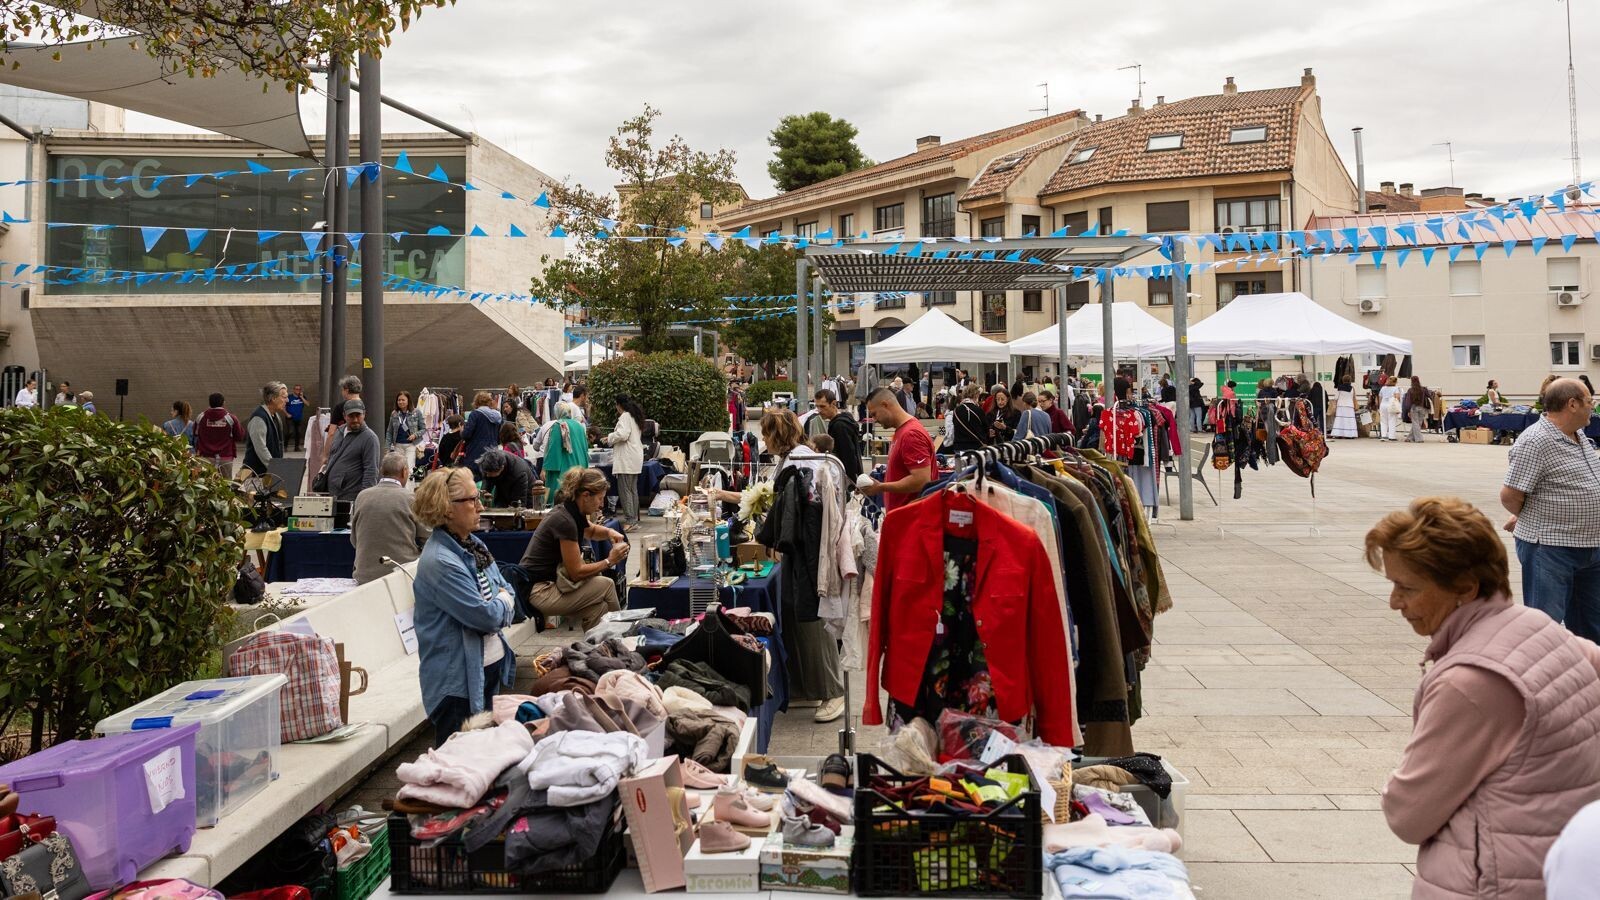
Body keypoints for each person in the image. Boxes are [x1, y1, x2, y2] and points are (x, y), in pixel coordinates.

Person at [1367, 496, 1600, 898]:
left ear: (1464, 587)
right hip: (1549, 866)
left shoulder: (1469, 682)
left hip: (1494, 880)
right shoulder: (1537, 625)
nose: (1394, 602)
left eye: (1406, 587)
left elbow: (1407, 814)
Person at [410, 467, 516, 746]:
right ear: (447, 509)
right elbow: (486, 616)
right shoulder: (441, 562)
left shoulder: (472, 545)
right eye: (472, 500)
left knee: (486, 760)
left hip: (484, 672)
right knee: (460, 769)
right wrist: (503, 601)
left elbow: (509, 589)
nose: (480, 506)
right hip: (457, 685)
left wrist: (502, 600)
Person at [1501, 377, 1600, 641]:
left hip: (1589, 548)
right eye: (1590, 402)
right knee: (1544, 629)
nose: (1593, 407)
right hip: (1551, 548)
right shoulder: (1535, 441)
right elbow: (1510, 494)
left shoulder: (1579, 435)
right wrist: (1527, 516)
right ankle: (1538, 681)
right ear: (1572, 404)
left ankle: (1588, 680)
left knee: (1592, 629)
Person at [519, 467, 628, 631]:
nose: (602, 504)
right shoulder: (565, 521)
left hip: (545, 585)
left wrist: (609, 532)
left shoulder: (570, 510)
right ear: (585, 496)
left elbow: (590, 531)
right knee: (606, 584)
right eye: (600, 498)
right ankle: (622, 635)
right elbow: (576, 572)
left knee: (598, 609)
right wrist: (610, 560)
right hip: (538, 591)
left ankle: (596, 651)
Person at [350, 452, 430, 584]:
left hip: (364, 576)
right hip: (401, 575)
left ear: (382, 471)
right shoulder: (410, 499)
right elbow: (427, 539)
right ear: (404, 472)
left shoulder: (362, 496)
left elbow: (354, 539)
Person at [859, 387, 935, 513]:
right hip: (903, 518)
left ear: (885, 405)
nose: (874, 419)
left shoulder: (910, 434)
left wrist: (881, 487)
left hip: (911, 520)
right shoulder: (902, 431)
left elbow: (922, 480)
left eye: (874, 414)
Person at [324, 399, 381, 503]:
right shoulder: (339, 431)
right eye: (351, 416)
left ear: (364, 414)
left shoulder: (370, 438)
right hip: (333, 494)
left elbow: (371, 471)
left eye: (358, 415)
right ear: (344, 416)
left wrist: (365, 500)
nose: (355, 419)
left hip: (352, 497)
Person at [603, 394, 647, 528]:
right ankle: (633, 519)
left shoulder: (625, 416)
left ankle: (630, 521)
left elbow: (622, 434)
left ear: (618, 405)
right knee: (632, 490)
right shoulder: (634, 416)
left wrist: (610, 437)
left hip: (627, 458)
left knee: (625, 490)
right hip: (634, 457)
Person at [540, 401, 590, 500]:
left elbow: (553, 450)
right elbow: (585, 448)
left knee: (560, 497)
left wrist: (545, 468)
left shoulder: (558, 425)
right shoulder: (579, 426)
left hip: (563, 469)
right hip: (579, 467)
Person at [813, 388, 862, 485]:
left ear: (833, 404)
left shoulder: (840, 425)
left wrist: (851, 480)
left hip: (844, 477)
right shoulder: (843, 420)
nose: (819, 410)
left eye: (823, 406)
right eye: (817, 406)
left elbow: (848, 454)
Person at [193, 392, 245, 476]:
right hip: (225, 458)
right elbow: (239, 436)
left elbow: (195, 434)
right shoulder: (231, 418)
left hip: (205, 458)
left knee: (206, 484)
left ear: (209, 403)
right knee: (226, 484)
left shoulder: (200, 417)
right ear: (223, 403)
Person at [243, 381, 287, 477]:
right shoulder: (259, 417)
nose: (287, 400)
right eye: (284, 397)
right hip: (255, 473)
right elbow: (261, 448)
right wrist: (274, 468)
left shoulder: (275, 416)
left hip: (268, 471)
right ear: (273, 398)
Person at [460, 391, 504, 479]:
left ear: (476, 402)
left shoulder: (475, 414)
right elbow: (500, 436)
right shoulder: (498, 416)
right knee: (489, 479)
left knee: (475, 480)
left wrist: (462, 431)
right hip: (493, 452)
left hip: (476, 453)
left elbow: (467, 434)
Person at [947, 384, 988, 452]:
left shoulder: (956, 410)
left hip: (959, 446)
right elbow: (985, 428)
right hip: (975, 446)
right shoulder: (978, 410)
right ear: (976, 395)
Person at [327, 375, 363, 445]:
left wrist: (325, 454)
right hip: (364, 443)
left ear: (346, 390)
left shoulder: (340, 407)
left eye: (342, 390)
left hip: (347, 444)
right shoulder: (368, 405)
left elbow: (331, 433)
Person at [1403, 376, 1428, 443]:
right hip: (1422, 408)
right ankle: (1409, 438)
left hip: (1414, 408)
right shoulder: (1423, 389)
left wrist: (1408, 410)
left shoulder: (1410, 390)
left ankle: (1419, 439)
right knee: (1418, 424)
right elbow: (1429, 396)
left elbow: (1408, 402)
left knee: (1415, 423)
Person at [1377, 375, 1401, 441]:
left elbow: (1380, 398)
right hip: (1391, 405)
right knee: (1392, 420)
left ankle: (1384, 436)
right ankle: (1391, 436)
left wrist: (1379, 406)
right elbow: (1397, 398)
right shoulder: (1396, 388)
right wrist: (1398, 407)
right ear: (1395, 382)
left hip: (1383, 405)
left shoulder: (1383, 388)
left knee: (1383, 421)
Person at [284, 384, 307, 452]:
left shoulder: (302, 397)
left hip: (298, 418)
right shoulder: (289, 397)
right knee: (290, 432)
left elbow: (308, 404)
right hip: (290, 418)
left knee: (298, 433)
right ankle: (285, 446)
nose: (298, 390)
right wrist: (286, 414)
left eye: (299, 389)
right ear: (294, 390)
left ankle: (296, 447)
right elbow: (283, 406)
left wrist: (302, 397)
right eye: (296, 389)